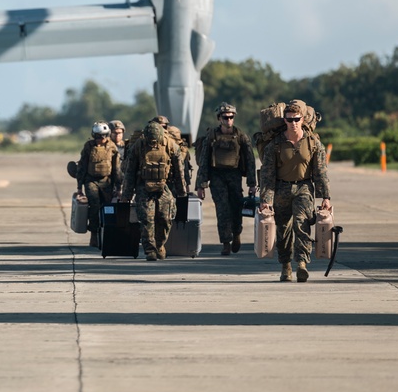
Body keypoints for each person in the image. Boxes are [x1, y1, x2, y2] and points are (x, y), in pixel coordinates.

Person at [259, 100, 332, 282]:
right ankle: (285, 266)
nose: (293, 123)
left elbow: (321, 172)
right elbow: (268, 174)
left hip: (304, 188)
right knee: (283, 230)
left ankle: (301, 264)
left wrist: (325, 197)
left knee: (303, 225)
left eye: (297, 119)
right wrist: (266, 200)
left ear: (302, 120)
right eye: (290, 120)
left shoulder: (313, 143)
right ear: (284, 120)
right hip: (281, 188)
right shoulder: (275, 145)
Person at [196, 102, 256, 256]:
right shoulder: (212, 136)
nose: (228, 120)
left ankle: (236, 233)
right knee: (222, 210)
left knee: (236, 207)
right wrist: (201, 185)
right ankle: (226, 242)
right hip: (217, 176)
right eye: (225, 117)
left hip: (234, 175)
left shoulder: (241, 135)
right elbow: (204, 161)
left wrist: (252, 183)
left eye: (231, 117)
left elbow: (250, 160)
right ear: (219, 118)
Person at [120, 121, 186, 261]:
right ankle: (150, 250)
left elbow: (180, 171)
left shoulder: (170, 145)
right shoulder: (139, 146)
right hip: (144, 187)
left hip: (164, 186)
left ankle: (160, 244)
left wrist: (182, 192)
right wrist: (126, 195)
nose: (152, 143)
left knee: (165, 218)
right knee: (146, 219)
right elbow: (130, 171)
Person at [76, 121, 121, 248]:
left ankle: (108, 234)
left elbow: (116, 169)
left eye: (102, 136)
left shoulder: (112, 147)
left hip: (107, 182)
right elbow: (82, 167)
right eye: (96, 136)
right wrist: (79, 187)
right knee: (94, 206)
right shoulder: (88, 147)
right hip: (91, 181)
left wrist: (119, 187)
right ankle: (94, 234)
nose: (99, 139)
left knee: (108, 208)